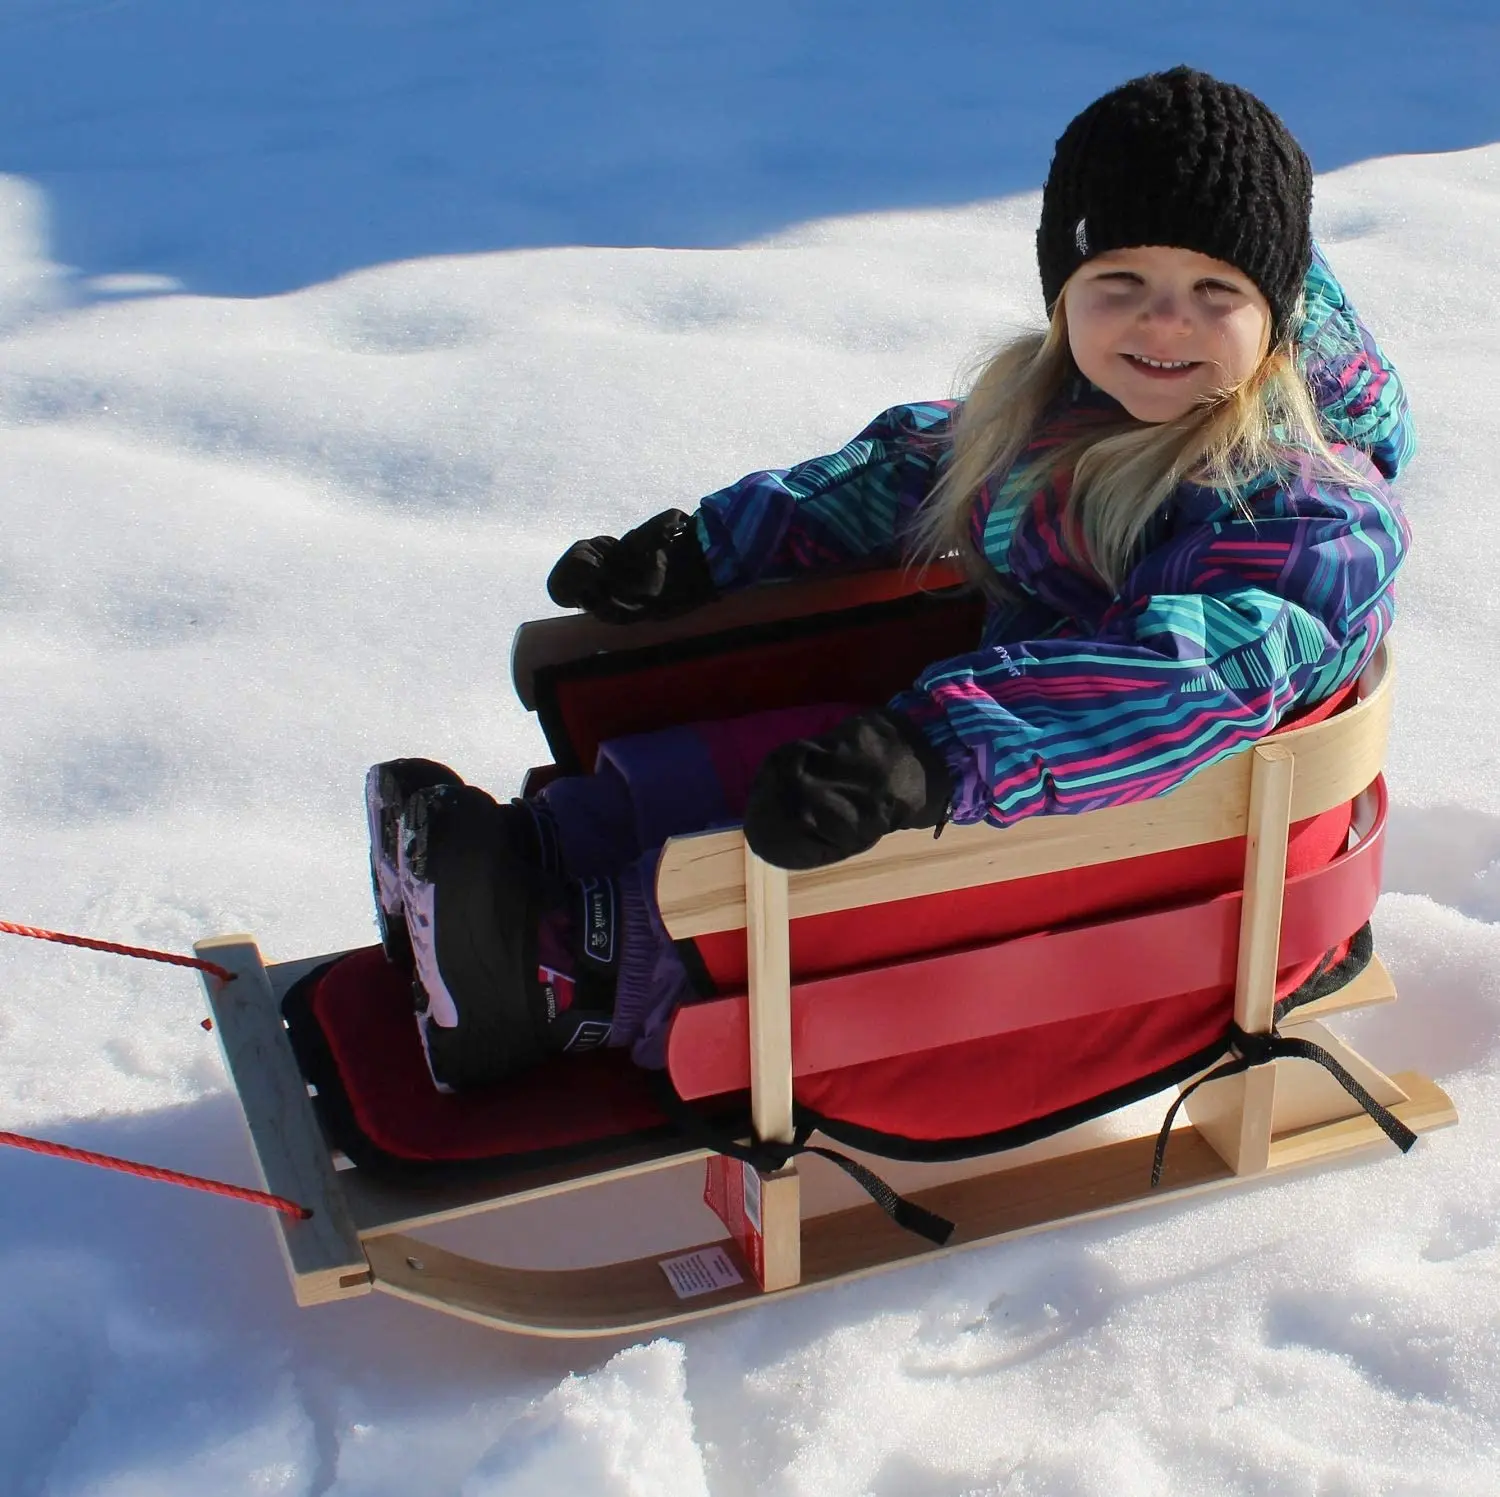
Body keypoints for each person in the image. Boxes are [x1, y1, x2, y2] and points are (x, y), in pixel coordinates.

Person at [365, 66, 1415, 1092]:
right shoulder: (1086, 402)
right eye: (1120, 284)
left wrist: (933, 751)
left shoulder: (1311, 511)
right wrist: (712, 547)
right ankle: (530, 865)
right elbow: (916, 469)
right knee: (789, 757)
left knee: (821, 852)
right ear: (1063, 294)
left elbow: (1177, 675)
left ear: (1274, 310)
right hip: (1025, 768)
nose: (1163, 322)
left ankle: (563, 975)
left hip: (1145, 856)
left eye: (1213, 292)